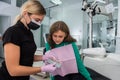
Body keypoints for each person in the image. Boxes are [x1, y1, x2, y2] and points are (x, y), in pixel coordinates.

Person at [0, 0, 57, 80]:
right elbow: (13, 70)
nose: (39, 23)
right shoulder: (13, 32)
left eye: (41, 21)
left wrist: (44, 57)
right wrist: (42, 68)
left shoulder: (29, 33)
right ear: (25, 14)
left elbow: (26, 56)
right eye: (37, 20)